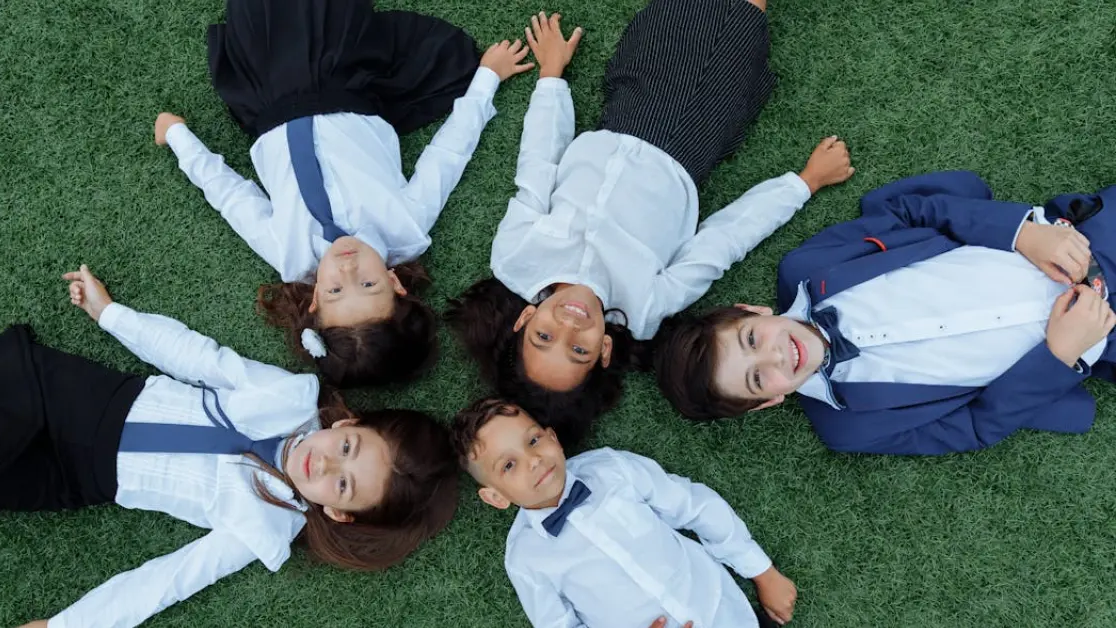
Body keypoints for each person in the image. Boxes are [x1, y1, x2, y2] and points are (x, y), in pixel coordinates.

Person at [0, 265, 459, 627]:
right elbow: (199, 358)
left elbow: (169, 579)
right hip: (76, 393)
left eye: (342, 482)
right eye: (348, 445)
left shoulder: (266, 525)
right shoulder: (288, 395)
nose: (325, 461)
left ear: (338, 512)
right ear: (351, 421)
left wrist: (67, 626)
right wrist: (111, 315)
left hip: (66, 468)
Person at [448, 5, 853, 446]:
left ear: (525, 317)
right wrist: (803, 184)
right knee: (739, 19)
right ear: (604, 350)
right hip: (690, 131)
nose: (570, 326)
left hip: (623, 107)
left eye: (544, 336)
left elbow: (538, 164)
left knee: (669, 15)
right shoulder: (646, 307)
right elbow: (724, 240)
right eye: (579, 350)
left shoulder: (515, 257)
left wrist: (551, 76)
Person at [156, 0, 534, 387]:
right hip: (345, 80)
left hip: (269, 95)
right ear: (396, 285)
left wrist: (178, 138)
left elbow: (232, 197)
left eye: (336, 289)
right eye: (368, 284)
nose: (348, 268)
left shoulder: (288, 255)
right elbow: (447, 155)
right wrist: (486, 79)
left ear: (316, 299)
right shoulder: (407, 227)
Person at [655, 171, 1116, 455]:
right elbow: (975, 426)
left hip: (1075, 243)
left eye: (752, 339)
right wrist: (1058, 357)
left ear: (752, 311)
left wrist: (1021, 235)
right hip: (1098, 338)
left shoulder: (806, 267)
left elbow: (912, 212)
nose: (775, 357)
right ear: (768, 402)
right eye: (758, 379)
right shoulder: (850, 428)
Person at [451, 398, 798, 627]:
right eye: (509, 465)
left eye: (533, 441)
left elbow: (694, 506)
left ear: (553, 438)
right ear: (495, 497)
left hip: (723, 611)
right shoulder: (525, 559)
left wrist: (762, 571)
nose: (535, 460)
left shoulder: (611, 468)